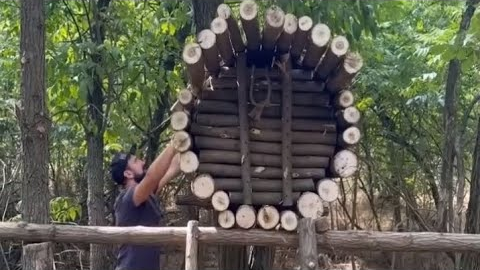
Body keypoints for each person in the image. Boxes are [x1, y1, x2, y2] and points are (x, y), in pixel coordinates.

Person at [110, 142, 180, 270]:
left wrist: (185, 145)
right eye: (136, 161)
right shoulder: (128, 197)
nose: (142, 162)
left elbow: (172, 169)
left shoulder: (146, 194)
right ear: (128, 174)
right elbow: (152, 176)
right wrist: (173, 145)